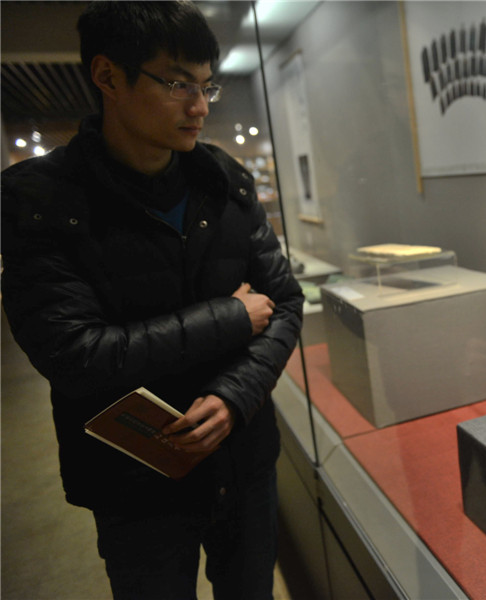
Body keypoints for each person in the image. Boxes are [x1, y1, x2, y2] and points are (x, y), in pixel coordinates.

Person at [0, 2, 303, 598]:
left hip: (241, 458)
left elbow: (285, 302)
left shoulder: (225, 181)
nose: (200, 107)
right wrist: (230, 317)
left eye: (206, 85)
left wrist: (235, 393)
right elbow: (73, 353)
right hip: (132, 479)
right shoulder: (38, 198)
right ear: (108, 77)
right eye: (176, 83)